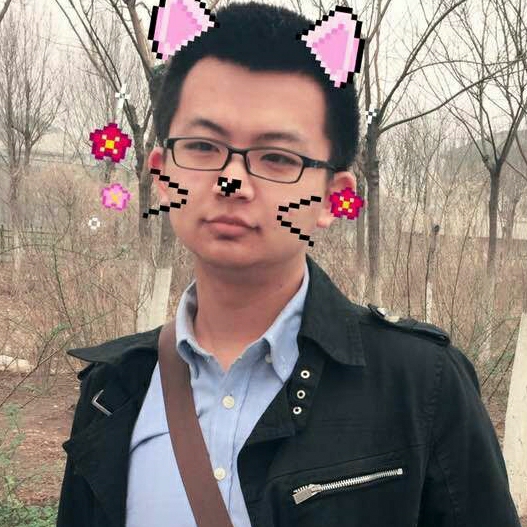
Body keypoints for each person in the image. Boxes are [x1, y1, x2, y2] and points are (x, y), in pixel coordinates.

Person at [56, 2, 522, 527]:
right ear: (162, 175)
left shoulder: (422, 385)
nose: (232, 182)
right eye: (203, 146)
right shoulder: (112, 390)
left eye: (278, 157)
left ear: (333, 196)